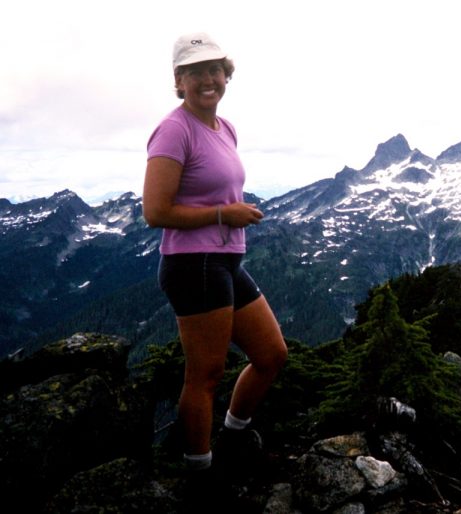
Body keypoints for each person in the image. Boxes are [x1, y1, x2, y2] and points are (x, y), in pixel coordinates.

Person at [142, 32, 288, 476]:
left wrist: (226, 217)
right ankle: (199, 473)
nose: (208, 79)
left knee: (271, 354)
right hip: (193, 265)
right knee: (205, 375)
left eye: (214, 70)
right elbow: (155, 211)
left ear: (226, 75)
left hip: (225, 261)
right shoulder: (173, 129)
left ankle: (236, 436)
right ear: (179, 80)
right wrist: (225, 213)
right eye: (195, 72)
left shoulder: (224, 128)